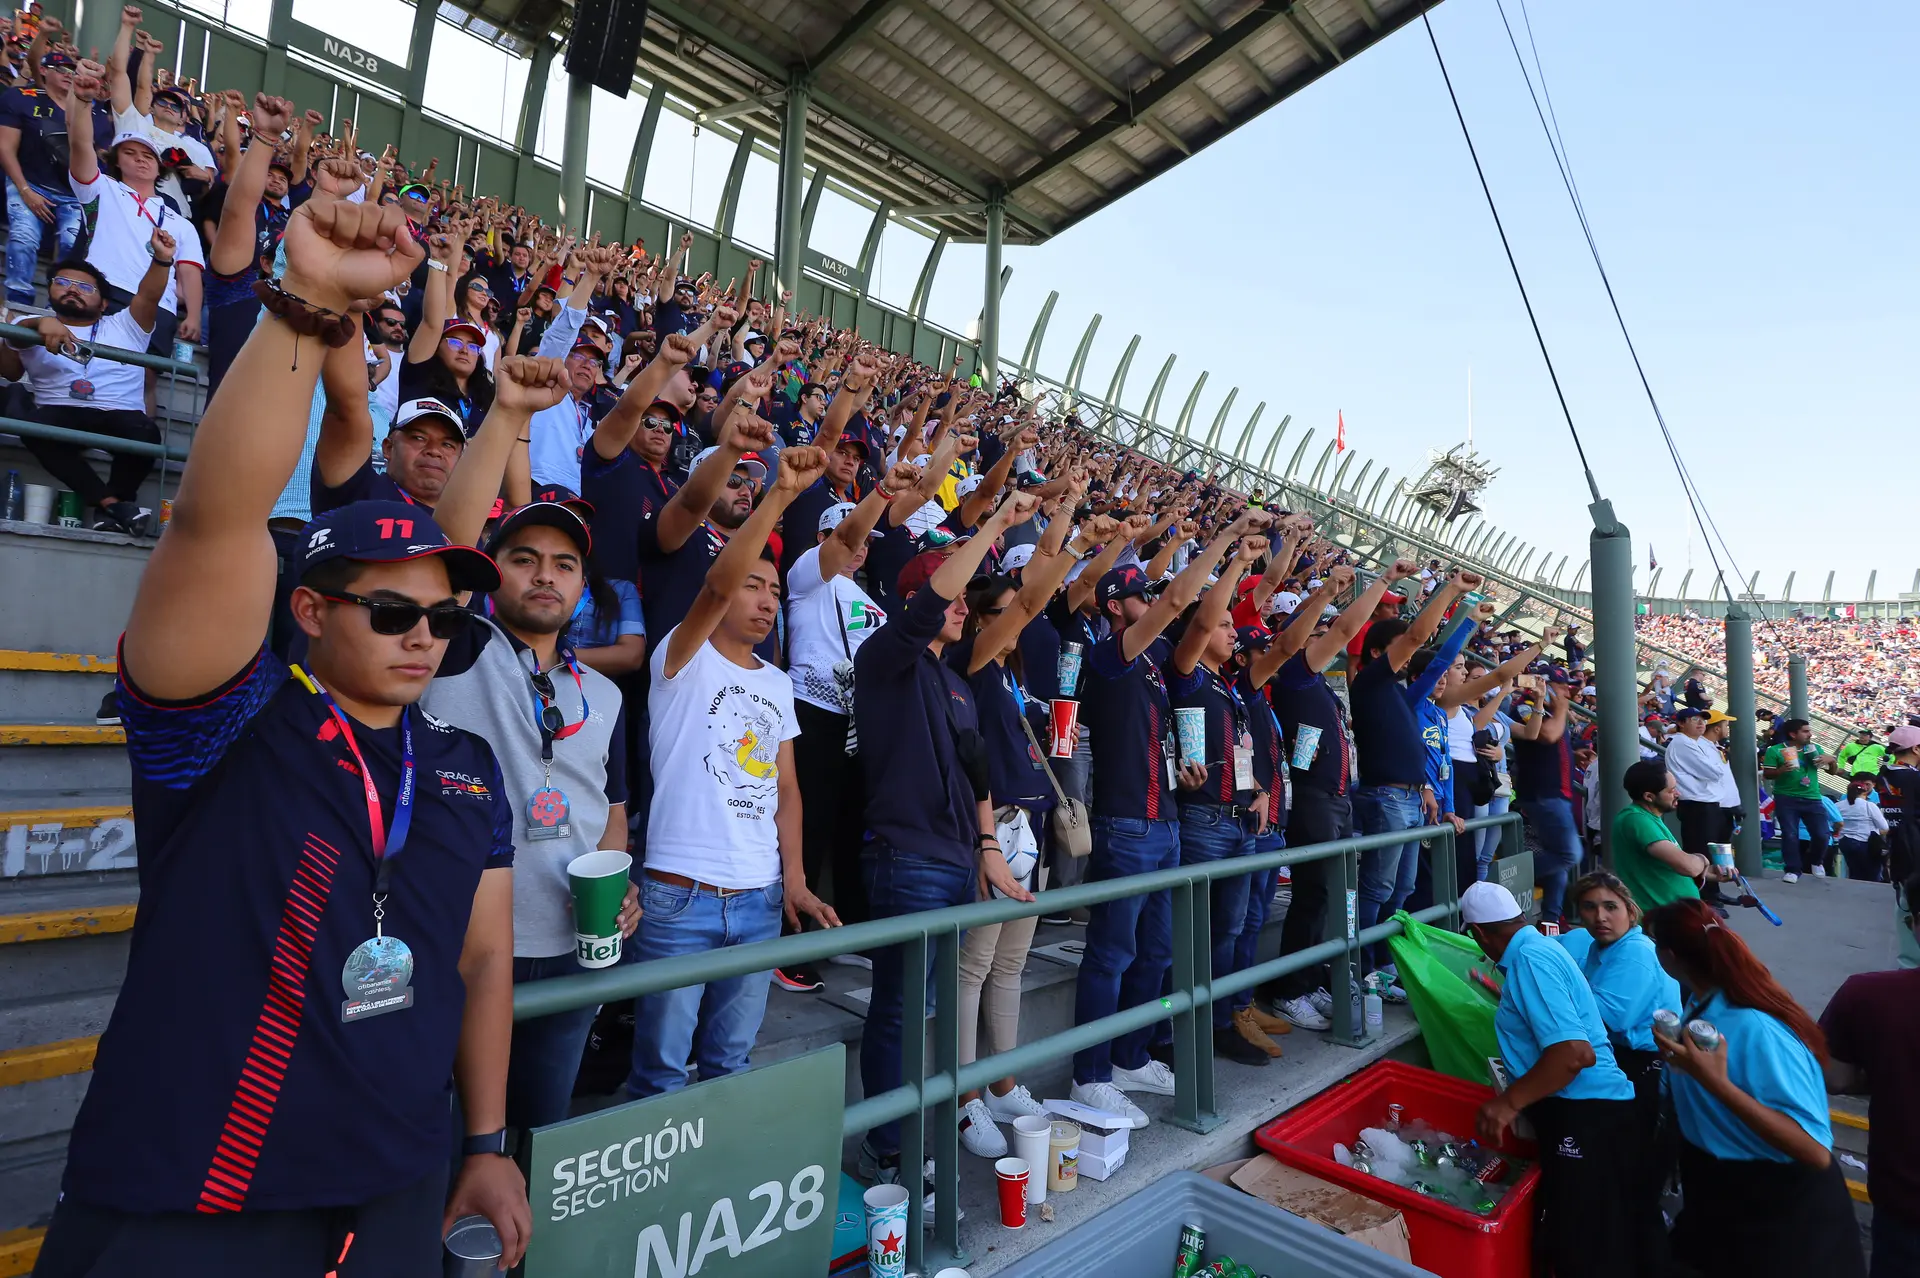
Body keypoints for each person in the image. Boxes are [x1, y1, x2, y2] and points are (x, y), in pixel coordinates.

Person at [31, 195, 531, 1274]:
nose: (423, 636)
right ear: (308, 609)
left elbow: (484, 957)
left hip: (398, 1188)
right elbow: (218, 520)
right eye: (390, 612)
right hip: (194, 1201)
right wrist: (301, 303)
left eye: (444, 618)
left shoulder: (465, 767)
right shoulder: (228, 721)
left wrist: (486, 1143)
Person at [421, 357, 640, 1130]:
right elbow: (440, 555)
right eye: (524, 559)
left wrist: (621, 886)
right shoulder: (459, 647)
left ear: (582, 588)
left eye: (564, 565)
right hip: (461, 944)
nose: (545, 576)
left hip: (574, 950)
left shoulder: (605, 693)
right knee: (456, 1142)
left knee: (539, 1137)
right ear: (493, 573)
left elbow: (612, 811)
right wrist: (508, 414)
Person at [628, 443, 842, 1098]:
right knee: (661, 1075)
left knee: (731, 1068)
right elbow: (717, 585)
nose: (767, 599)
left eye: (774, 590)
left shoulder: (777, 683)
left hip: (758, 899)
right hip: (678, 895)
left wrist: (794, 881)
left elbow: (787, 790)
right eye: (754, 584)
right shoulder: (680, 655)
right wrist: (779, 495)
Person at [852, 494, 1038, 1203]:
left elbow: (978, 777)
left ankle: (910, 1137)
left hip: (958, 863)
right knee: (900, 1008)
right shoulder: (884, 658)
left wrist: (987, 849)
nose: (963, 606)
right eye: (952, 593)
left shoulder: (959, 684)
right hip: (906, 857)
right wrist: (993, 524)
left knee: (925, 1004)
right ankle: (888, 1149)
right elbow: (934, 600)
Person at [1067, 510, 1267, 1129]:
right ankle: (1088, 1075)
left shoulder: (1156, 662)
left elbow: (1198, 621)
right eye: (1140, 596)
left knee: (1155, 951)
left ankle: (1128, 1057)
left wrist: (1184, 772)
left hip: (1168, 822)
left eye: (1151, 595)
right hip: (1126, 826)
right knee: (1111, 953)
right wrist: (1227, 542)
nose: (1153, 602)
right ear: (1114, 606)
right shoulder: (1110, 655)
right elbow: (1184, 601)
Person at [948, 498, 1098, 1158]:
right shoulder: (973, 666)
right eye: (1005, 611)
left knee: (1010, 963)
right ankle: (965, 1097)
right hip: (994, 827)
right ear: (982, 619)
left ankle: (1003, 1080)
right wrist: (1075, 539)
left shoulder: (1016, 677)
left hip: (1030, 828)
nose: (1018, 620)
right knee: (974, 965)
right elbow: (1034, 596)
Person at [1649, 898, 1866, 1278]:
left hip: (1781, 1218)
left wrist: (1715, 1084)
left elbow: (1815, 1151)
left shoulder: (1756, 1028)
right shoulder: (1701, 1004)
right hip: (1720, 1198)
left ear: (1668, 956)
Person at [1262, 559, 1418, 1030]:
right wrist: (1382, 581)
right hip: (1313, 799)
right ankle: (1290, 991)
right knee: (1313, 894)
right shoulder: (1294, 673)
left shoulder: (1320, 685)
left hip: (1336, 798)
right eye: (1316, 634)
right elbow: (1347, 629)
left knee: (1328, 897)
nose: (1325, 639)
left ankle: (1310, 980)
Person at [1463, 881, 1646, 1278]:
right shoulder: (1538, 950)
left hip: (1586, 1114)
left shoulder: (1531, 959)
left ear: (1478, 934)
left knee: (1585, 1246)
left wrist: (1507, 1102)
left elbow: (1574, 1054)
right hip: (1590, 1112)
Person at [1162, 530, 1274, 1068]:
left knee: (1228, 930)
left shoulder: (1228, 687)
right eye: (1225, 625)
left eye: (1233, 626)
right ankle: (1173, 1031)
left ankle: (1218, 1024)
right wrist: (1237, 561)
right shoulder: (1185, 674)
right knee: (1191, 934)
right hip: (1203, 822)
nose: (1232, 632)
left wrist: (1260, 791)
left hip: (1239, 823)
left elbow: (1243, 751)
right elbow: (1205, 620)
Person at [1349, 569, 1478, 979]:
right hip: (1386, 798)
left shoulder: (1403, 694)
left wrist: (1470, 623)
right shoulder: (1370, 683)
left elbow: (1438, 662)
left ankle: (1384, 963)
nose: (1409, 653)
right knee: (1377, 887)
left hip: (1409, 798)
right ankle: (1359, 967)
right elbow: (1420, 639)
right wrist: (1453, 591)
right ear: (1376, 653)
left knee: (1402, 888)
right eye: (1400, 646)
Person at [0, 237, 167, 534]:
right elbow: (11, 368)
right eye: (62, 282)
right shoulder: (30, 322)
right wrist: (38, 324)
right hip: (60, 412)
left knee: (146, 433)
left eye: (85, 287)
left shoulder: (126, 325)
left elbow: (149, 295)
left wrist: (162, 259)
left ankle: (112, 505)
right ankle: (114, 506)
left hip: (119, 413)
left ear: (103, 303)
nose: (73, 289)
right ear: (50, 290)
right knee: (31, 423)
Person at [1560, 869, 1681, 1234]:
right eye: (1589, 907)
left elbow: (1602, 1016)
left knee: (1631, 1171)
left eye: (1610, 907)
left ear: (1630, 910)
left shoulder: (1636, 953)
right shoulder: (1600, 947)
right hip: (1626, 1059)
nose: (1600, 917)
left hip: (1646, 1067)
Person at [1820, 869, 1920, 1277]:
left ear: (1914, 925)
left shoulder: (1867, 995)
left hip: (1905, 1211)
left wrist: (1888, 1069)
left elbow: (1836, 1078)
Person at [0, 49, 107, 306]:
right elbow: (5, 147)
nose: (68, 75)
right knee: (24, 237)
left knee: (73, 247)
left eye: (73, 71)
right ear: (43, 71)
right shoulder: (21, 97)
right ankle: (18, 304)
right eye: (61, 69)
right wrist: (25, 190)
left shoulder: (94, 112)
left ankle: (56, 308)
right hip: (29, 181)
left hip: (73, 194)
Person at [1762, 718, 1829, 881]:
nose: (1810, 734)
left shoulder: (1814, 748)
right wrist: (1781, 770)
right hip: (1786, 798)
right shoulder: (1775, 750)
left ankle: (1816, 861)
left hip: (1812, 797)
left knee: (1822, 834)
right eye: (1805, 731)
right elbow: (1767, 774)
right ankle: (1792, 870)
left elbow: (1832, 771)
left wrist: (1831, 761)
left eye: (1809, 731)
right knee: (1790, 834)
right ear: (1793, 734)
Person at [1834, 773, 1889, 881]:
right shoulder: (1869, 805)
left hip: (1844, 842)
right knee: (1871, 873)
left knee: (1854, 871)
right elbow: (1884, 826)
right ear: (1864, 792)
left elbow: (1833, 823)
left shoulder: (1838, 805)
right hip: (1865, 842)